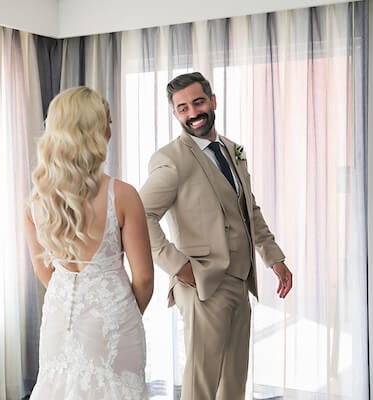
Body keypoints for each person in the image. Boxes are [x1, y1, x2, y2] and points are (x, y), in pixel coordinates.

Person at [140, 72, 293, 400]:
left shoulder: (233, 150)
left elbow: (248, 210)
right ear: (174, 114)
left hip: (239, 279)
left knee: (234, 379)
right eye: (182, 108)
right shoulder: (171, 160)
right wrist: (179, 266)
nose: (192, 113)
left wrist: (274, 258)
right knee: (202, 382)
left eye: (198, 102)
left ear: (213, 101)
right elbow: (141, 216)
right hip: (202, 284)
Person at [25, 86, 154, 399]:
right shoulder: (122, 195)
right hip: (113, 322)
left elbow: (44, 272)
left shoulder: (36, 200)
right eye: (107, 121)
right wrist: (118, 311)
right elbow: (145, 277)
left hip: (58, 316)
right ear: (95, 132)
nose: (111, 129)